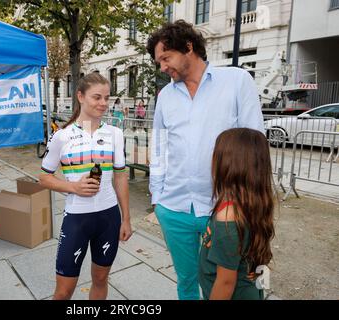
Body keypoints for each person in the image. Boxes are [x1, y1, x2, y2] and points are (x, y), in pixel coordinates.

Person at [146, 20, 264, 300]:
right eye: (158, 61)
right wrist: (157, 197)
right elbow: (160, 148)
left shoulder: (236, 81)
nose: (162, 67)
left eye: (166, 57)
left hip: (224, 209)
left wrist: (245, 202)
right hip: (174, 208)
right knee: (186, 280)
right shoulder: (165, 96)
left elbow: (254, 145)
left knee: (224, 284)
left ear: (188, 47)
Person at [39, 73, 132, 300]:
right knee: (63, 292)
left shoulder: (115, 134)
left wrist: (126, 218)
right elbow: (43, 177)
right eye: (96, 97)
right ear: (80, 96)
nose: (103, 103)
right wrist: (73, 188)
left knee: (100, 280)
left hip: (109, 218)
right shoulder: (61, 136)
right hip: (77, 219)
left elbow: (120, 178)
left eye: (106, 98)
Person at [199, 128, 275, 300]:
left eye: (216, 154)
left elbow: (226, 283)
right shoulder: (252, 202)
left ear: (229, 164)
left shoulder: (229, 217)